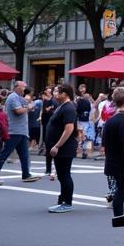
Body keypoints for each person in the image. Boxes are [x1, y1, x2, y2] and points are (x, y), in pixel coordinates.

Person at [0, 79, 40, 185]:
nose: (25, 88)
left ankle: (26, 174)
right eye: (23, 86)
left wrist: (29, 104)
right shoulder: (13, 97)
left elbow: (31, 107)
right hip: (14, 131)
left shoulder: (19, 98)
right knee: (4, 154)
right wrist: (27, 106)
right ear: (17, 87)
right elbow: (18, 111)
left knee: (24, 155)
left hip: (22, 131)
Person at [45, 83, 78, 211]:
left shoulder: (68, 107)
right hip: (60, 147)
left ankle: (67, 202)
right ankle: (63, 199)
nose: (54, 93)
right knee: (62, 174)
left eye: (57, 91)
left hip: (64, 147)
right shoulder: (62, 106)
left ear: (65, 94)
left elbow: (69, 128)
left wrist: (57, 145)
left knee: (64, 174)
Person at [101, 87, 124, 219]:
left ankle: (119, 212)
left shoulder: (110, 121)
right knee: (122, 189)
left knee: (121, 188)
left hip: (111, 160)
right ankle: (119, 214)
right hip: (122, 162)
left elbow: (104, 142)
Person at [40, 86, 56, 179]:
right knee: (49, 147)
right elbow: (45, 111)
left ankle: (55, 168)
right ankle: (48, 168)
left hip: (57, 126)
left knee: (57, 148)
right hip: (48, 126)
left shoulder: (58, 102)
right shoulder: (47, 101)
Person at [75, 83, 93, 158]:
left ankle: (84, 151)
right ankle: (80, 151)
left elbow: (93, 106)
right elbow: (76, 109)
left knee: (85, 135)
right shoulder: (77, 99)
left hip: (86, 120)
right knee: (80, 135)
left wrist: (89, 98)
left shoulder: (88, 99)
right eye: (81, 88)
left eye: (84, 88)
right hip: (79, 119)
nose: (82, 90)